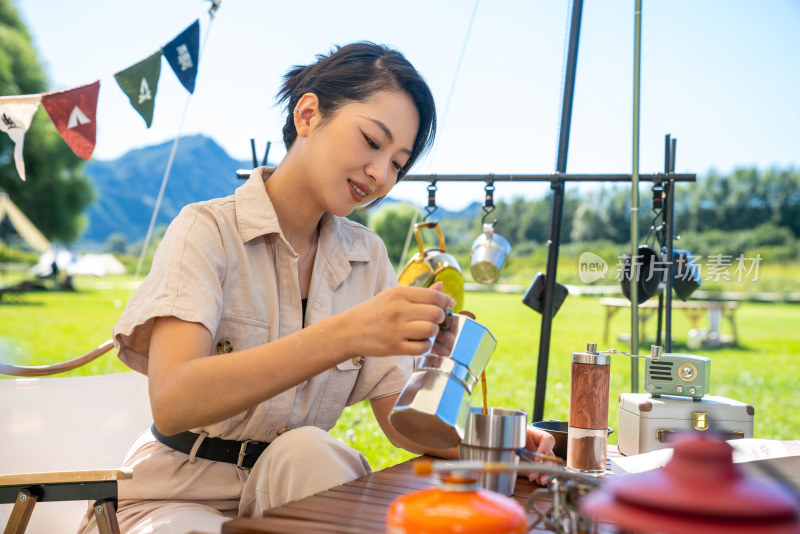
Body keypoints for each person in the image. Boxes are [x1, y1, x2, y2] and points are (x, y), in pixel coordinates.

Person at [79, 41, 554, 534]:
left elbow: (400, 419)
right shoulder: (207, 231)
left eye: (397, 163)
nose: (379, 175)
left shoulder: (367, 257)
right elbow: (175, 401)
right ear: (308, 114)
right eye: (372, 141)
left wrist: (503, 445)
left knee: (310, 450)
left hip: (295, 488)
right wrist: (346, 335)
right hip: (173, 498)